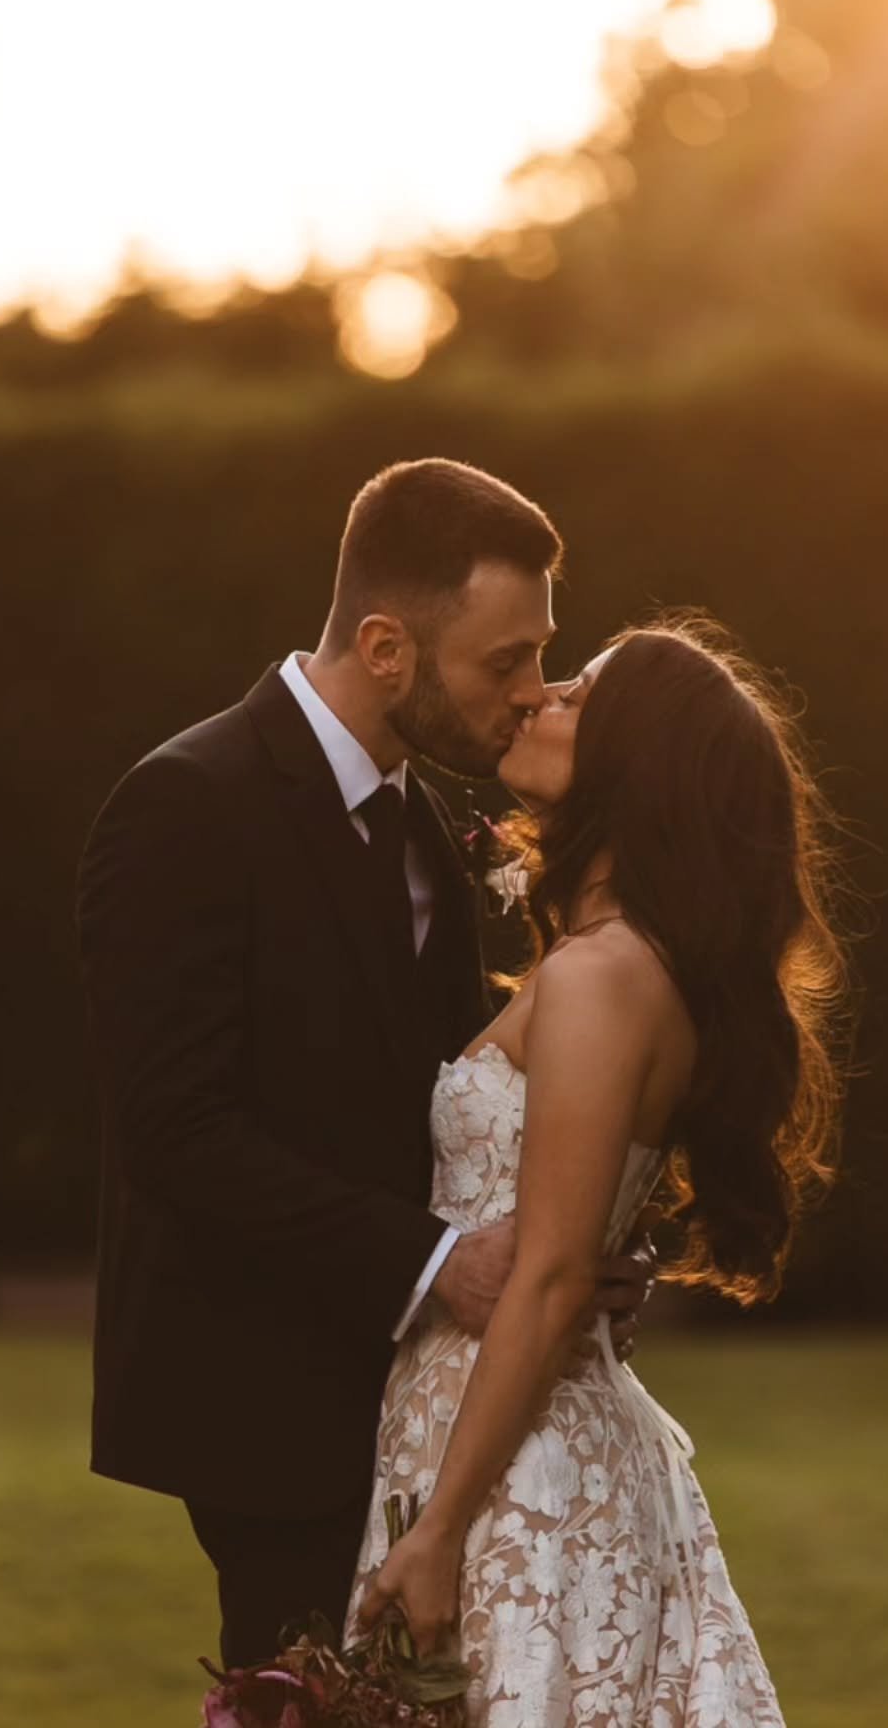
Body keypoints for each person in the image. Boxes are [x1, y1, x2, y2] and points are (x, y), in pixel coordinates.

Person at [74, 458, 652, 1671]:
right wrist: (447, 1263)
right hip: (262, 1396)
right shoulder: (187, 805)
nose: (529, 694)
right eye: (504, 663)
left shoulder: (423, 826)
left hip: (408, 1393)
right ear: (387, 647)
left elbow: (434, 1106)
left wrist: (555, 1245)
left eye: (539, 656)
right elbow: (177, 1134)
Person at [350, 617, 853, 1726]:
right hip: (508, 1429)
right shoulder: (624, 964)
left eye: (578, 692)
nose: (538, 697)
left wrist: (438, 1532)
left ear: (637, 762)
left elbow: (547, 1275)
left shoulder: (602, 978)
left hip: (516, 1470)